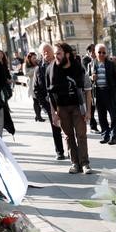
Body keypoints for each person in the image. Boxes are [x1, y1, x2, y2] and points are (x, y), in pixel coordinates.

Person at [46, 42, 92, 174]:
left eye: (59, 54)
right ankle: (75, 163)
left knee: (81, 135)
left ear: (67, 54)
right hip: (61, 107)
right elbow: (49, 93)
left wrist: (88, 110)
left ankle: (85, 163)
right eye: (55, 54)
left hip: (78, 106)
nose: (56, 57)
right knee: (68, 135)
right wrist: (53, 113)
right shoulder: (51, 69)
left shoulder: (79, 68)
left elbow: (88, 89)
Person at [34, 43, 66, 160]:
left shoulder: (60, 65)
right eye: (44, 52)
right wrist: (43, 104)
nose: (46, 53)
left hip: (62, 101)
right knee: (55, 127)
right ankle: (59, 151)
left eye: (48, 51)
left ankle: (71, 149)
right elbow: (36, 89)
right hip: (49, 104)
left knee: (67, 126)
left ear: (53, 52)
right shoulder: (39, 69)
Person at [89, 44, 116, 144]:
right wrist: (91, 78)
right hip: (98, 92)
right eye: (99, 52)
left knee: (113, 116)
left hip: (109, 92)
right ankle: (105, 135)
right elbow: (87, 79)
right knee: (102, 116)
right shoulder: (91, 64)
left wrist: (115, 92)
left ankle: (113, 137)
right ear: (95, 53)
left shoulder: (111, 64)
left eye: (103, 52)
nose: (101, 54)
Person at [24, 52, 44, 122]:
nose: (35, 59)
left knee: (39, 100)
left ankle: (37, 115)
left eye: (35, 57)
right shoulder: (26, 65)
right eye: (33, 58)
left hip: (39, 84)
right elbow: (26, 74)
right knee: (35, 100)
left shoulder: (38, 63)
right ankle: (38, 116)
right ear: (29, 58)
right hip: (31, 85)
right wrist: (35, 69)